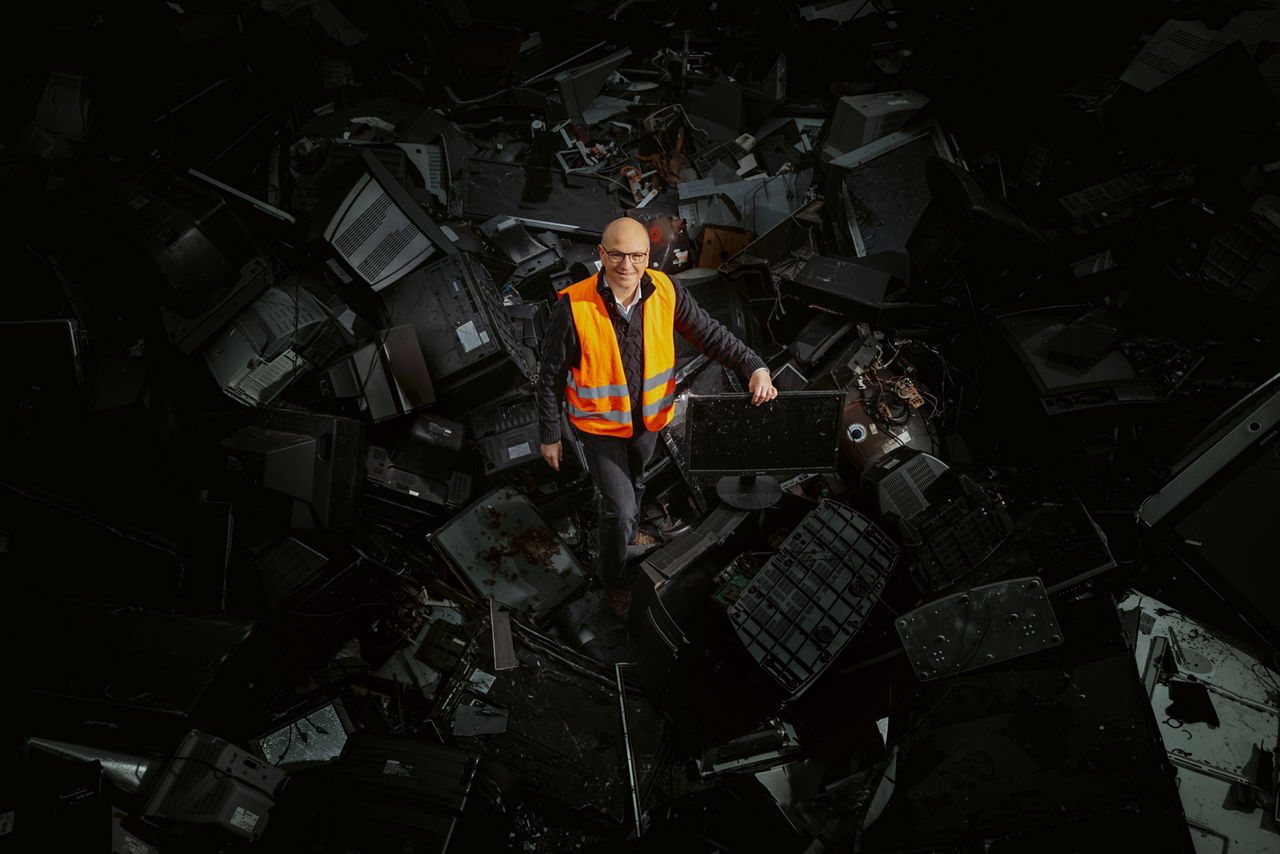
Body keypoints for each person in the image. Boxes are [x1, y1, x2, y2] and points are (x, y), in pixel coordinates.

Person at [537, 216, 776, 621]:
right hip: (600, 429)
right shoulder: (573, 306)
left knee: (638, 483)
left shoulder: (666, 290)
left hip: (647, 422)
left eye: (635, 255)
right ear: (601, 255)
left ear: (648, 256)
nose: (626, 265)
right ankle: (613, 579)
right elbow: (549, 378)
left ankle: (627, 535)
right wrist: (549, 434)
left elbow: (710, 334)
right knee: (620, 507)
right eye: (616, 255)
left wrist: (753, 365)